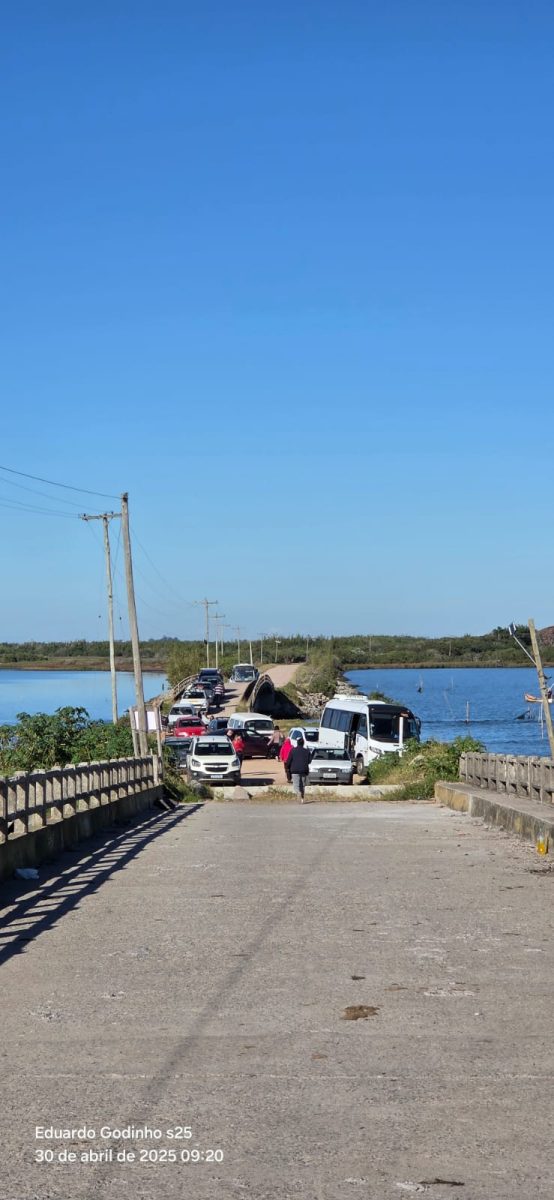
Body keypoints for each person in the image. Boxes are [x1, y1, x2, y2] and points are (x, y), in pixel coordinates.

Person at [287, 736, 311, 802]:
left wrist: (288, 767)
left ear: (297, 743)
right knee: (302, 785)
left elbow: (289, 761)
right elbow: (309, 761)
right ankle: (302, 799)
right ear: (303, 743)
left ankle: (298, 793)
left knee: (296, 785)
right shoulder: (307, 751)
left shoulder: (292, 750)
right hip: (304, 770)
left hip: (294, 770)